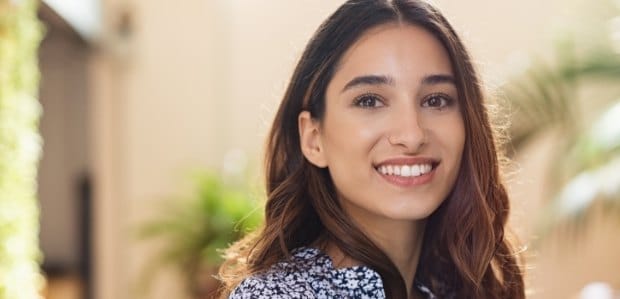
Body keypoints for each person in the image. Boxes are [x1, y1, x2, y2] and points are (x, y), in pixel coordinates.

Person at [218, 0, 525, 298]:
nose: (412, 134)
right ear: (313, 138)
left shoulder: (463, 289)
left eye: (436, 100)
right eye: (370, 100)